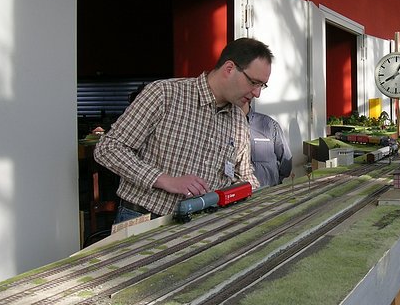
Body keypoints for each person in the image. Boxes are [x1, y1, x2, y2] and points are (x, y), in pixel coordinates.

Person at [94, 37, 273, 223]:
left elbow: (243, 177)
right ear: (229, 68)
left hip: (201, 224)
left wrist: (262, 202)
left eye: (262, 85)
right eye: (254, 82)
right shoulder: (164, 94)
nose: (257, 93)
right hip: (144, 219)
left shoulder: (238, 119)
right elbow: (108, 148)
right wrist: (164, 180)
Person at [241, 100, 293, 187]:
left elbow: (286, 162)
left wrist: (274, 182)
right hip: (236, 193)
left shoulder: (269, 125)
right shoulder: (222, 128)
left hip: (269, 191)